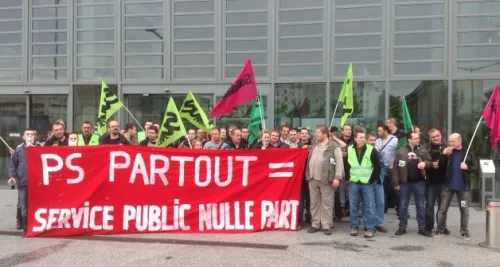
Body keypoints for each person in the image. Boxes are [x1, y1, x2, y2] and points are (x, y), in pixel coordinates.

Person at [435, 133, 477, 240]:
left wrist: (467, 167)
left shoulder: (468, 152)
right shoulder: (447, 151)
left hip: (462, 186)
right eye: (449, 141)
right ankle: (440, 229)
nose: (451, 143)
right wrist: (443, 155)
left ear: (460, 141)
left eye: (453, 141)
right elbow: (440, 166)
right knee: (442, 209)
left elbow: (476, 168)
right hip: (447, 185)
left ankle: (464, 231)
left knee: (464, 210)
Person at [392, 132, 432, 237]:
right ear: (409, 140)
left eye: (418, 138)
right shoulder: (401, 151)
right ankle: (402, 227)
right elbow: (395, 168)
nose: (418, 140)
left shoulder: (423, 151)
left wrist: (425, 164)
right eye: (415, 138)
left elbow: (430, 163)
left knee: (420, 206)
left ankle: (422, 228)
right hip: (405, 183)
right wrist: (396, 183)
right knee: (403, 205)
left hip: (419, 183)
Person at [305, 125, 343, 235]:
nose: (316, 134)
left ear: (325, 134)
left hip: (326, 179)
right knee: (314, 202)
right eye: (316, 132)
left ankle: (326, 225)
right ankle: (315, 224)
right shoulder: (314, 145)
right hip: (313, 178)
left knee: (327, 203)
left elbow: (339, 163)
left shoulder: (334, 147)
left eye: (318, 133)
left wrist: (337, 177)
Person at [345, 131, 380, 238]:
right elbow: (346, 165)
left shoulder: (371, 150)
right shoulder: (349, 149)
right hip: (354, 182)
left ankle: (370, 228)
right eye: (360, 137)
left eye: (364, 137)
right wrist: (348, 178)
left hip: (367, 183)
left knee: (369, 206)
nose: (362, 139)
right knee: (353, 206)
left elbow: (377, 167)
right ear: (355, 138)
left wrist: (371, 180)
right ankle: (354, 226)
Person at [8, 128, 36, 235]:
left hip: (36, 183)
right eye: (27, 134)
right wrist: (12, 176)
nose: (29, 136)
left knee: (34, 204)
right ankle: (25, 225)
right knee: (23, 205)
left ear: (34, 137)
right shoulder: (18, 150)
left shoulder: (38, 148)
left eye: (31, 134)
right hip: (23, 182)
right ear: (23, 137)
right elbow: (13, 165)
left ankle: (33, 223)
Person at [423, 128, 449, 234]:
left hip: (444, 181)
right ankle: (429, 225)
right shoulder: (425, 148)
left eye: (437, 136)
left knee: (442, 206)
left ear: (441, 136)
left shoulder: (448, 147)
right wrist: (430, 164)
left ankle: (441, 226)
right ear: (430, 138)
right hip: (430, 181)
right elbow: (421, 160)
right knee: (429, 205)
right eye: (433, 137)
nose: (436, 138)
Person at [375, 124, 399, 215]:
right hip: (381, 168)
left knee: (395, 189)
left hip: (392, 168)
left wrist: (393, 163)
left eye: (380, 131)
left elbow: (399, 153)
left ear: (385, 131)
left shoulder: (395, 140)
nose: (378, 133)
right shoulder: (377, 141)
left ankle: (399, 208)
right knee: (382, 189)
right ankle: (383, 209)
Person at [367, 132, 387, 233]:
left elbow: (383, 166)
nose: (373, 142)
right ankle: (368, 223)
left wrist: (381, 178)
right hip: (368, 181)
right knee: (369, 204)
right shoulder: (365, 152)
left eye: (374, 140)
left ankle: (379, 223)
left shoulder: (377, 151)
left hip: (378, 181)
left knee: (380, 202)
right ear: (366, 141)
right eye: (371, 140)